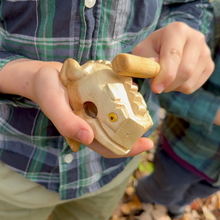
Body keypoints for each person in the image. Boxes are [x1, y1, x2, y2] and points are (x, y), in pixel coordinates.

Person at [0, 1, 215, 220]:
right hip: (16, 165)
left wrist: (184, 32)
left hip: (109, 174)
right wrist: (25, 77)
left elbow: (189, 4)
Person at [136, 0, 220, 219]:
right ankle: (146, 196)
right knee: (164, 186)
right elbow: (169, 88)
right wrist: (215, 112)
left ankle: (176, 205)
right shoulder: (213, 22)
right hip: (184, 150)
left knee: (195, 192)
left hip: (214, 175)